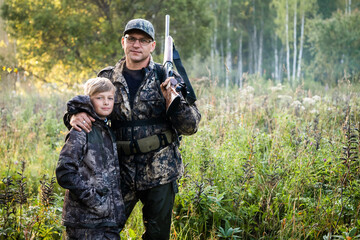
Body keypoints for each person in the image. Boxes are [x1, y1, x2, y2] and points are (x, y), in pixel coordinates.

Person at [64, 18, 201, 240]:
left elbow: (191, 126)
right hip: (117, 171)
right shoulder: (107, 78)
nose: (137, 45)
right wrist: (74, 114)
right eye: (132, 39)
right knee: (103, 231)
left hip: (160, 170)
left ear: (152, 46)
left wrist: (174, 103)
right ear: (123, 42)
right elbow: (86, 108)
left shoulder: (167, 77)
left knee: (156, 236)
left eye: (143, 40)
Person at [57, 77, 125, 240]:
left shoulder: (106, 129)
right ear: (88, 100)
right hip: (85, 223)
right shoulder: (81, 130)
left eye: (110, 98)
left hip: (107, 222)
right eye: (99, 98)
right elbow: (64, 172)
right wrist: (94, 199)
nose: (106, 103)